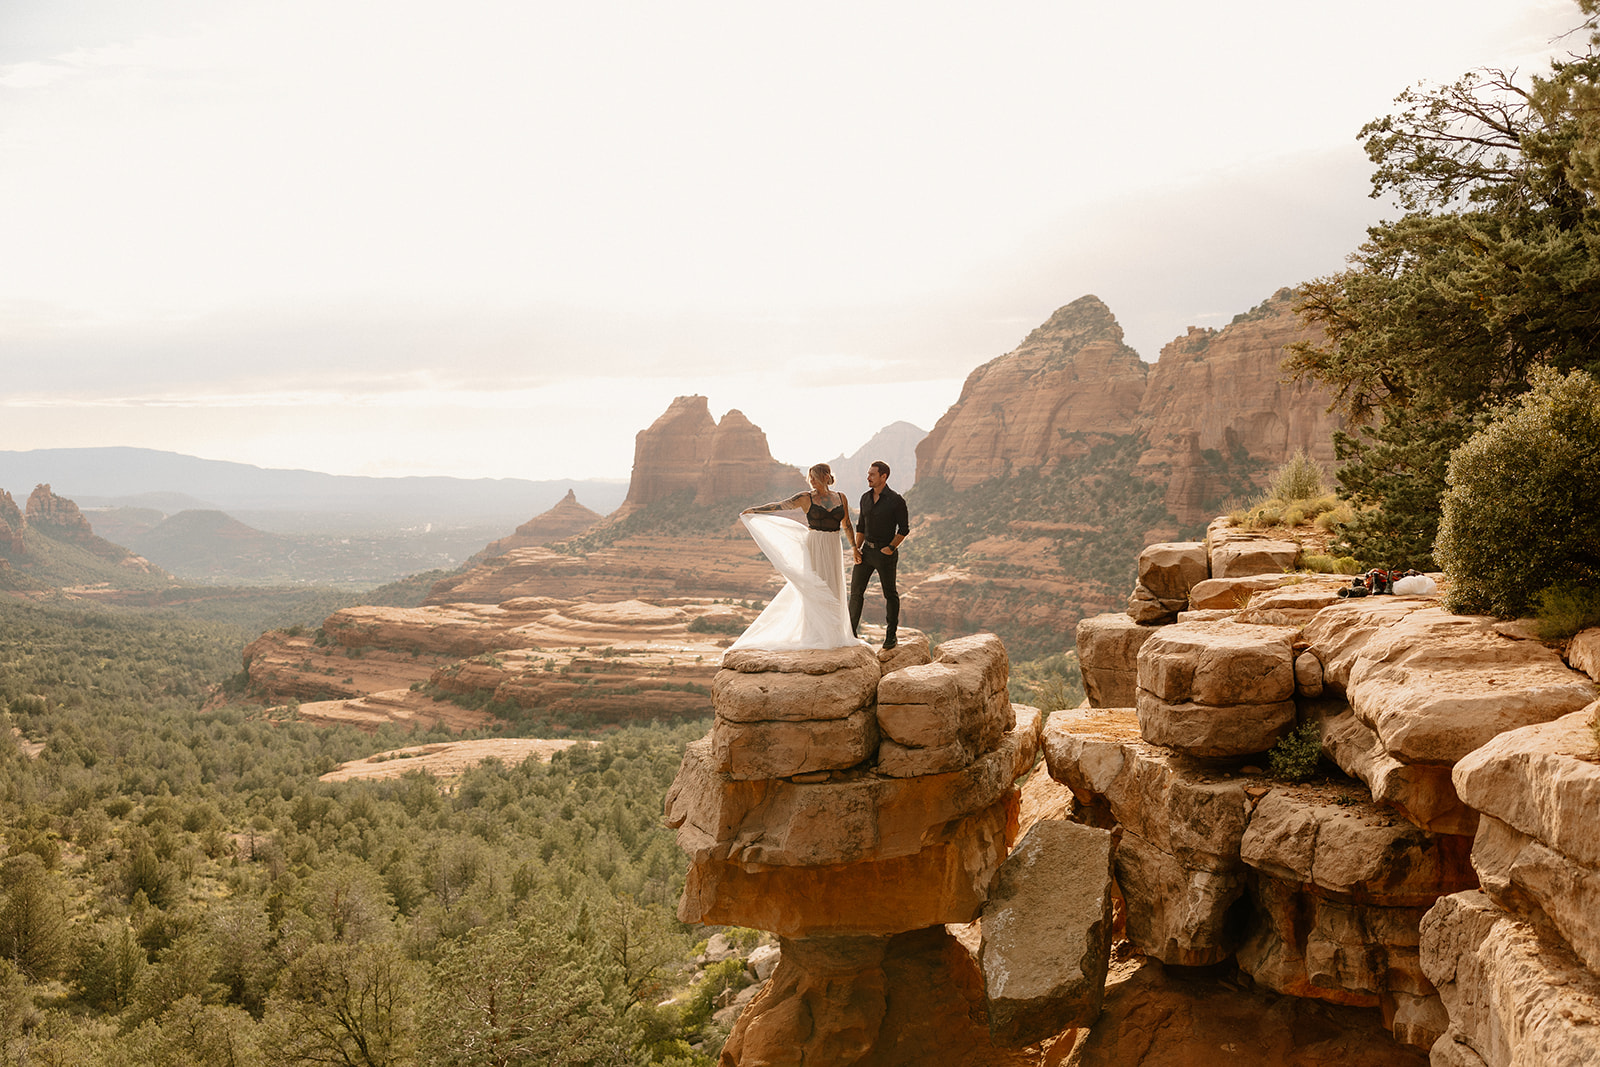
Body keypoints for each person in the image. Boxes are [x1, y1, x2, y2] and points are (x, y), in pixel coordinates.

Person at [727, 463, 865, 651]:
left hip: (834, 545)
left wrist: (855, 548)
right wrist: (755, 510)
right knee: (816, 586)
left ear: (825, 476)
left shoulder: (841, 497)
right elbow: (780, 506)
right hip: (815, 544)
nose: (812, 481)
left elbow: (847, 524)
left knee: (833, 587)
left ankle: (833, 634)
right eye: (810, 478)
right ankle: (813, 634)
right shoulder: (805, 497)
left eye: (814, 477)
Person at [849, 460, 909, 650]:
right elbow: (861, 526)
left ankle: (891, 637)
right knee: (856, 593)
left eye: (872, 474)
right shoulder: (865, 498)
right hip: (866, 552)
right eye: (868, 474)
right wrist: (856, 549)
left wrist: (890, 548)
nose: (868, 477)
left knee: (889, 594)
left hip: (885, 554)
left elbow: (904, 529)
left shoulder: (896, 500)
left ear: (883, 477)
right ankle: (850, 634)